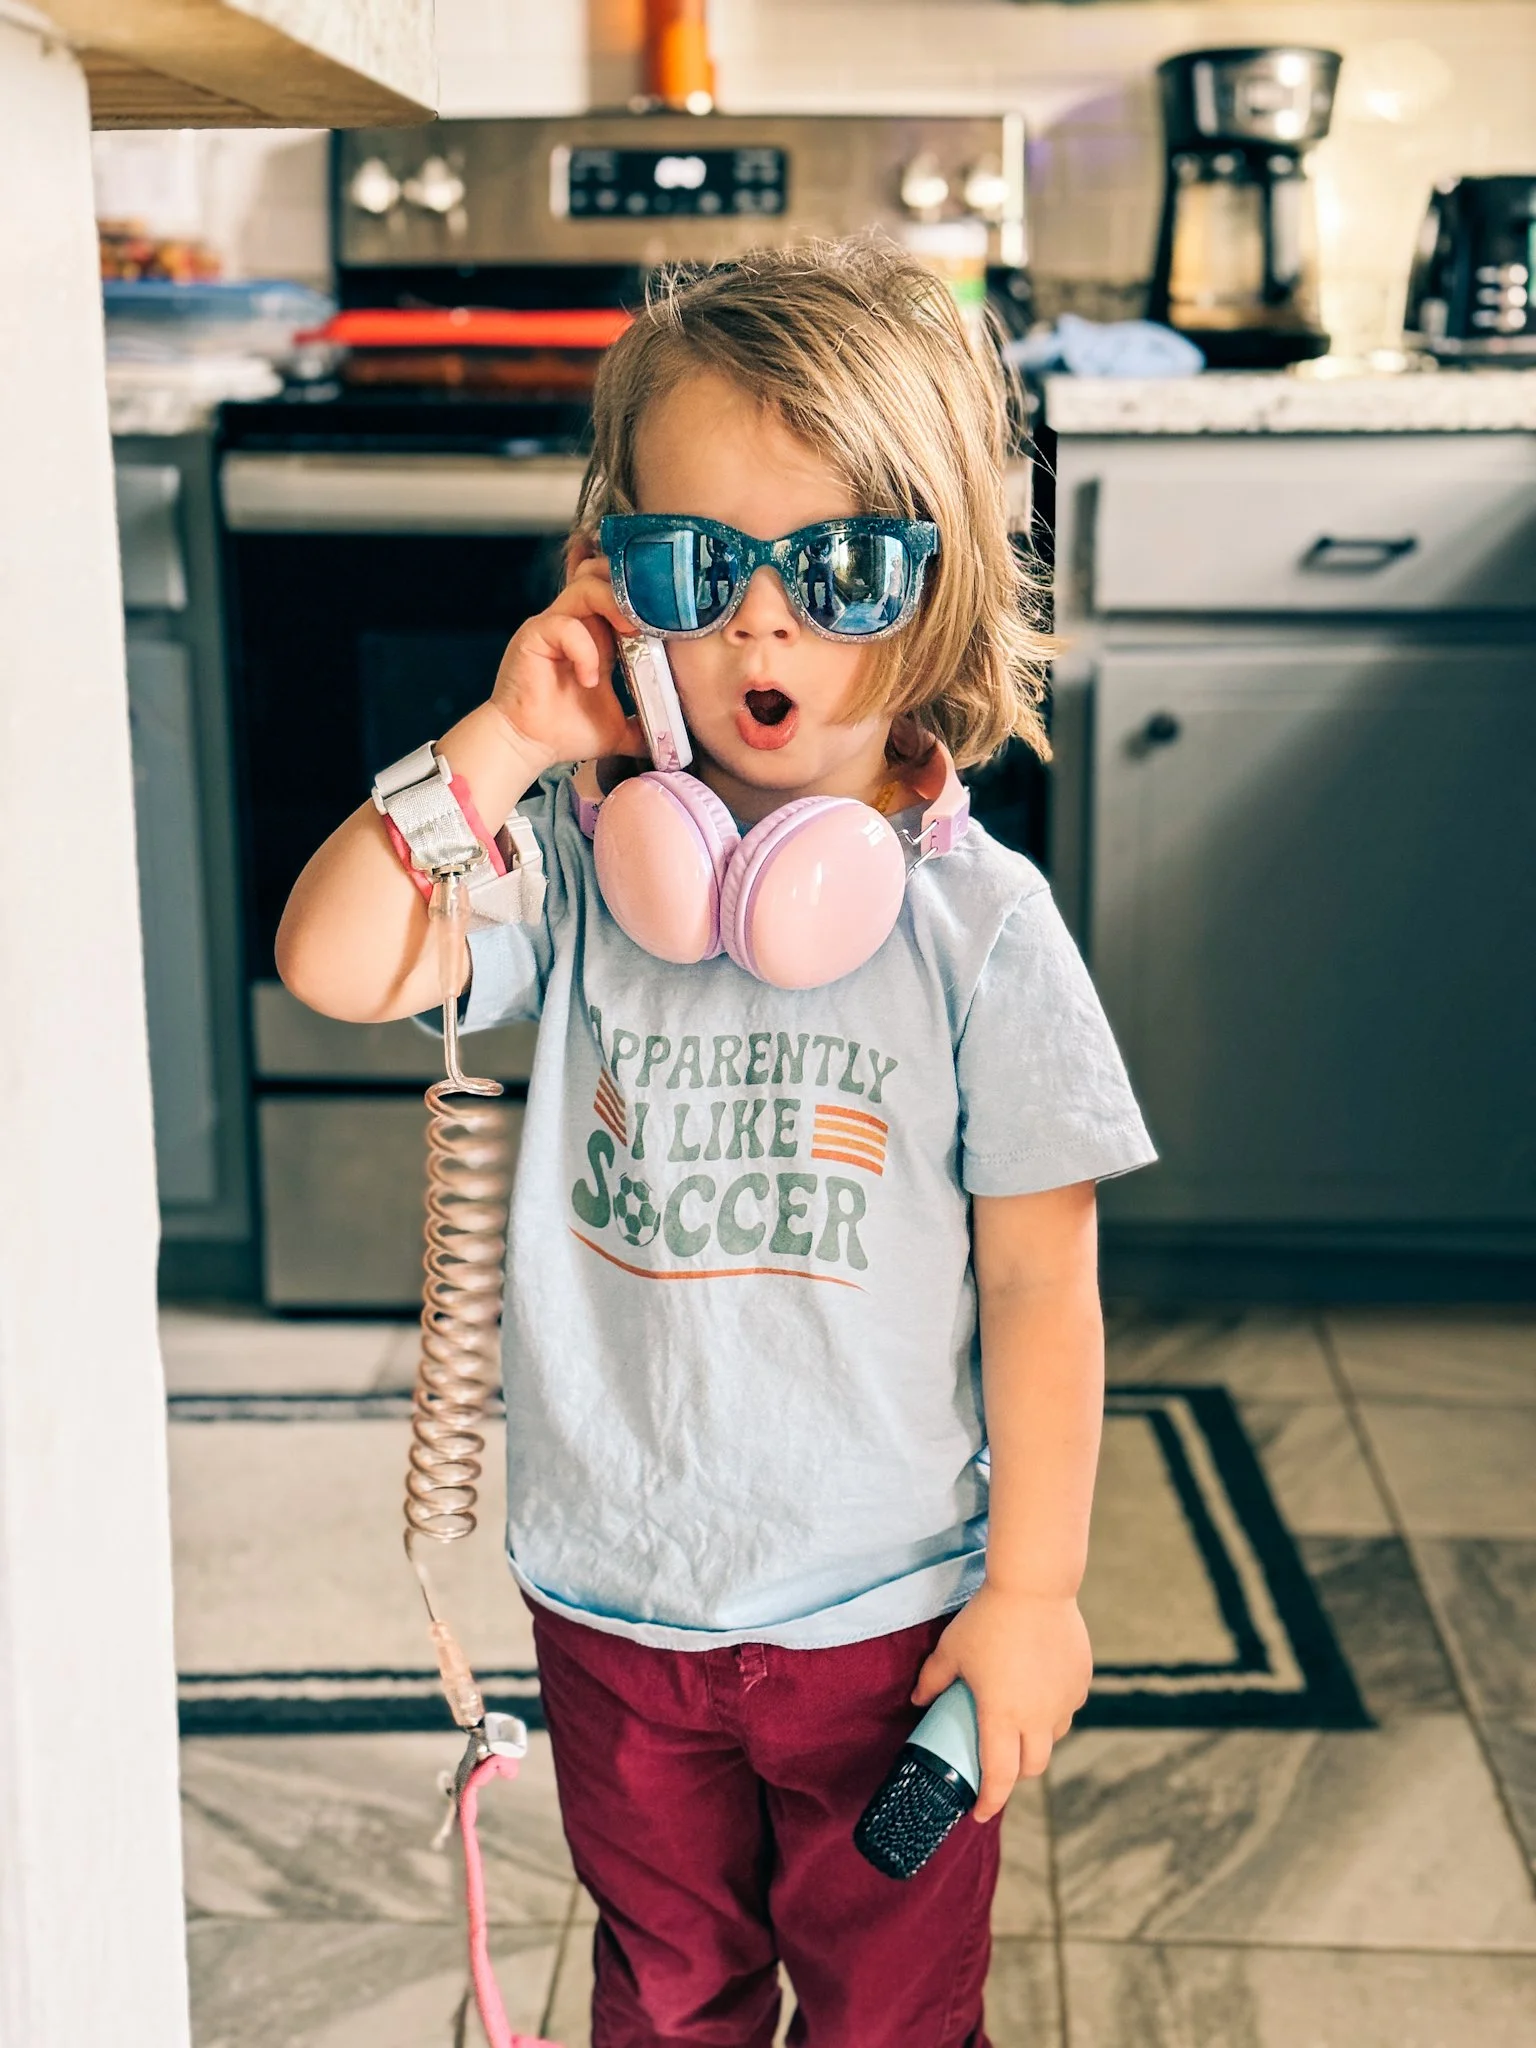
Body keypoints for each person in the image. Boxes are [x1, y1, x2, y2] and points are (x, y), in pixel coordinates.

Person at [276, 237, 1158, 2048]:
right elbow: (335, 963)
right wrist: (514, 739)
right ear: (617, 582)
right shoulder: (588, 886)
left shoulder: (985, 934)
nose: (764, 623)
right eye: (699, 565)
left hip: (883, 1615)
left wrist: (1039, 1593)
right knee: (663, 1993)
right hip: (614, 1601)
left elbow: (1042, 1284)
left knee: (892, 2011)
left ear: (943, 588)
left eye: (841, 567)